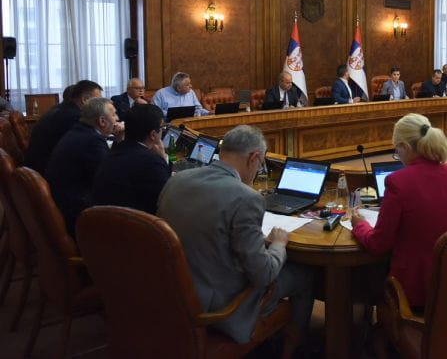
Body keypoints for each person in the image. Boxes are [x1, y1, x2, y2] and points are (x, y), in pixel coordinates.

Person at [158, 125, 314, 354]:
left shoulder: (176, 180)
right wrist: (279, 244)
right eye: (261, 164)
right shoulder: (246, 198)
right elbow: (264, 275)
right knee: (305, 274)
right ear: (254, 158)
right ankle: (297, 347)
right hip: (220, 307)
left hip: (173, 294)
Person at [351, 113, 447, 308]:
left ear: (405, 147)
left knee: (364, 276)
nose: (398, 156)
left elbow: (378, 244)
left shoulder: (397, 181)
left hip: (415, 290)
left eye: (397, 150)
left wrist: (360, 225)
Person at [46, 97, 121, 237]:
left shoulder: (80, 131)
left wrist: (118, 140)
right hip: (78, 213)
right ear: (102, 121)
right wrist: (122, 142)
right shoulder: (93, 141)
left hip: (64, 201)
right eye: (114, 114)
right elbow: (110, 178)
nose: (117, 118)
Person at [92, 104, 171, 215]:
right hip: (135, 222)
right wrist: (162, 158)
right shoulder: (152, 162)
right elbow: (168, 196)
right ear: (153, 135)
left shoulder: (115, 150)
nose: (162, 131)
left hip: (103, 219)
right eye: (162, 128)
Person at [25, 79, 103, 174]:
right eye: (98, 101)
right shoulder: (74, 116)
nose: (101, 105)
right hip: (46, 171)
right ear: (84, 99)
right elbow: (89, 145)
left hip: (37, 168)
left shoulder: (60, 109)